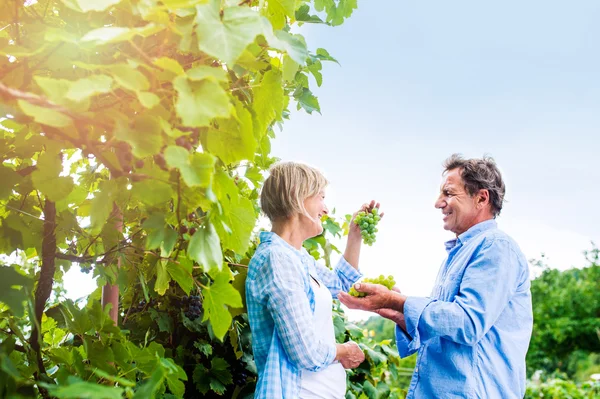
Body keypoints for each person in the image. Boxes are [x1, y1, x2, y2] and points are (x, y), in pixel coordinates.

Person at [338, 154, 533, 399]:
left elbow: (468, 323)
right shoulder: (459, 254)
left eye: (448, 193)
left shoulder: (495, 247)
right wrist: (399, 314)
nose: (438, 203)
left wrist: (398, 302)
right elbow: (445, 328)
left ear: (482, 198)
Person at [246, 161, 381, 398]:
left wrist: (355, 236)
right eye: (321, 197)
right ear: (297, 197)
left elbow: (339, 288)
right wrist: (344, 350)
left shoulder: (298, 257)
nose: (326, 208)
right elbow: (305, 351)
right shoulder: (277, 259)